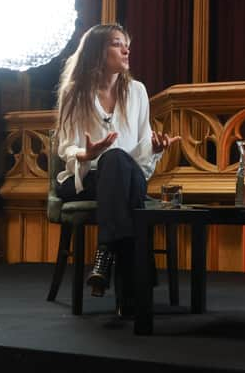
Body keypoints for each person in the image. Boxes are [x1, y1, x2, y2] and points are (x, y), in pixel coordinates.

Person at [55, 23, 180, 314]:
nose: (126, 50)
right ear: (97, 51)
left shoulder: (137, 91)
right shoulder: (74, 93)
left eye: (127, 44)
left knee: (118, 162)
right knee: (115, 166)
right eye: (116, 43)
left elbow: (140, 150)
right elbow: (65, 149)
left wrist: (155, 149)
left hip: (126, 175)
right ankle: (131, 294)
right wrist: (86, 153)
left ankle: (105, 252)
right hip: (87, 178)